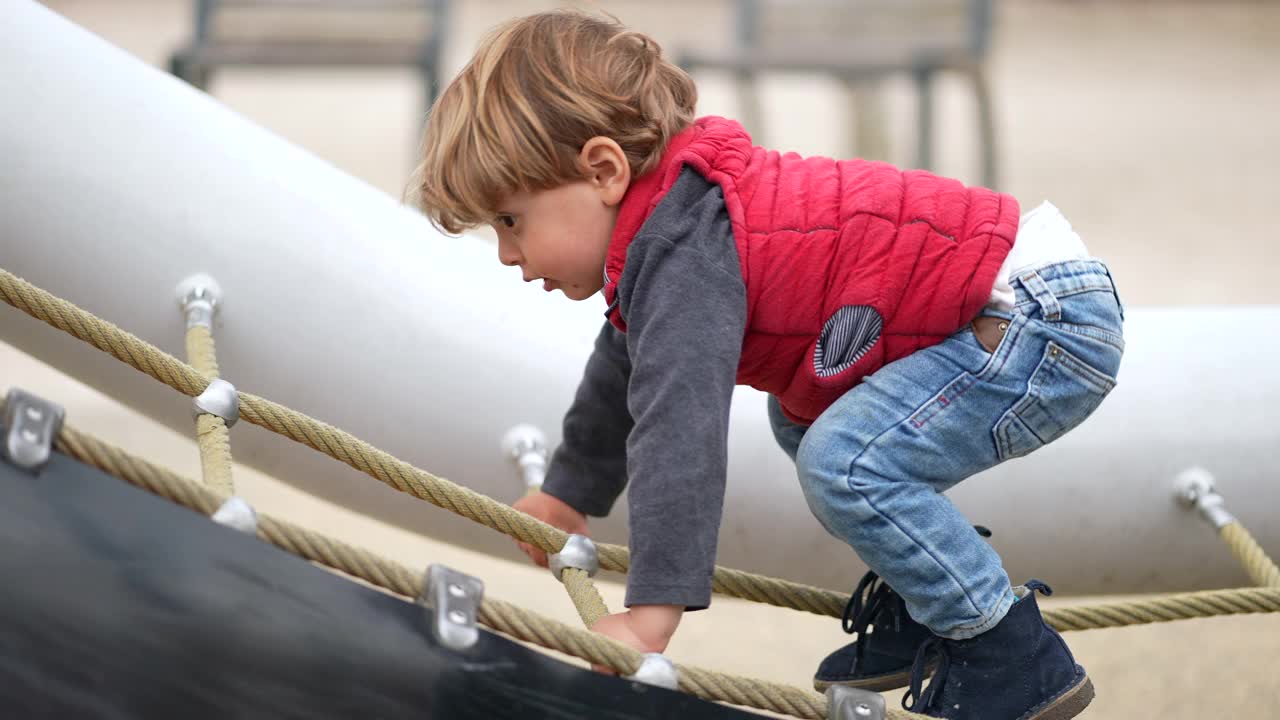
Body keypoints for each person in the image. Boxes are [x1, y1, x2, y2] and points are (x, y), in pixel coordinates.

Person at [414, 10, 1123, 720]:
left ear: (603, 170)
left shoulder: (687, 250)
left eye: (511, 221)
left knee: (845, 464)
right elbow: (626, 365)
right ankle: (931, 603)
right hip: (1012, 308)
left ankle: (1012, 654)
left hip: (1038, 321)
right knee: (800, 420)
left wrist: (650, 617)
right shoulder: (675, 220)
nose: (506, 253)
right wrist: (571, 491)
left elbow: (678, 433)